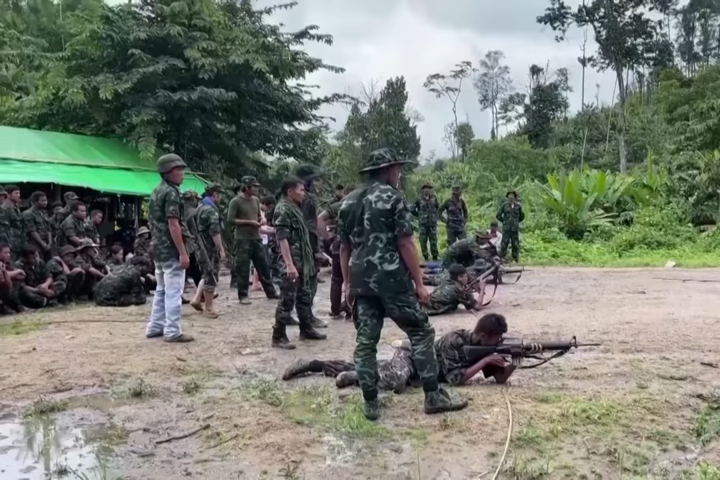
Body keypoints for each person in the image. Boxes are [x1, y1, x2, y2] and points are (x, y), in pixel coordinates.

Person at [338, 147, 468, 420]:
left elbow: (344, 248)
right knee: (420, 332)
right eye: (397, 169)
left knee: (365, 342)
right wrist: (420, 284)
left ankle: (371, 402)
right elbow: (405, 242)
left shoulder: (348, 202)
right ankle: (433, 396)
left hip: (361, 281)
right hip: (392, 280)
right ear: (386, 170)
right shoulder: (393, 198)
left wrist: (348, 285)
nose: (399, 174)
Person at [282, 312, 516, 390]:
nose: (498, 342)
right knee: (397, 379)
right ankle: (355, 379)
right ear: (483, 337)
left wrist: (509, 360)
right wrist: (485, 361)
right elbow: (456, 379)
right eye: (495, 340)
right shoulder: (453, 341)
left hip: (419, 370)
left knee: (376, 367)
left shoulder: (479, 347)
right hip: (411, 356)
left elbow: (500, 379)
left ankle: (314, 364)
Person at [271, 177, 327, 349]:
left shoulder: (294, 208)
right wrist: (289, 264)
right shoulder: (283, 209)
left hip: (302, 261)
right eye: (301, 190)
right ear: (290, 191)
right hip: (292, 262)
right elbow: (282, 239)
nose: (304, 193)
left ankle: (306, 328)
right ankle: (278, 335)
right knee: (287, 299)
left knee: (304, 296)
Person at [145, 153, 194, 343]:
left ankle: (155, 326)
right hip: (170, 248)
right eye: (178, 170)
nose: (182, 173)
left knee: (161, 289)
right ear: (168, 172)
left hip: (157, 247)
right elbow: (173, 224)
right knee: (174, 290)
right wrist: (183, 252)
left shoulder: (156, 191)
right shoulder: (172, 193)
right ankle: (173, 331)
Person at [227, 176, 277, 305]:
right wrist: (249, 222)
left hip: (256, 237)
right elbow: (231, 220)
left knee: (263, 266)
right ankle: (243, 295)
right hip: (242, 238)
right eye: (254, 187)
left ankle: (271, 292)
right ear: (246, 187)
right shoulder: (236, 201)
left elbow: (259, 215)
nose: (256, 189)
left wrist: (261, 220)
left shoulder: (255, 200)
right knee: (243, 268)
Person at [294, 164, 328, 328]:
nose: (314, 182)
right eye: (313, 179)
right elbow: (309, 226)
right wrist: (316, 250)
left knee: (303, 284)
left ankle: (305, 317)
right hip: (306, 245)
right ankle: (306, 318)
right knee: (308, 283)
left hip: (302, 244)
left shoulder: (298, 196)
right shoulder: (305, 198)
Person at [190, 183, 226, 317]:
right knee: (211, 275)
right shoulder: (211, 211)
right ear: (215, 194)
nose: (220, 198)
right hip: (209, 248)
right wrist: (221, 249)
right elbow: (215, 232)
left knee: (205, 274)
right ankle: (209, 308)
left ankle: (197, 298)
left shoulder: (199, 207)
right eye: (220, 195)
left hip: (199, 247)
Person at [317, 196, 350, 320]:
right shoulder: (360, 203)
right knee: (352, 278)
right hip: (354, 246)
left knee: (336, 279)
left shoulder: (337, 206)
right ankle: (350, 309)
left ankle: (335, 310)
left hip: (337, 246)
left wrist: (329, 239)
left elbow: (319, 219)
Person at [22, 191, 53, 260]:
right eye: (42, 201)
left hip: (46, 243)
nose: (45, 202)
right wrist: (43, 244)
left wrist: (50, 243)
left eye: (46, 200)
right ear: (35, 202)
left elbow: (49, 229)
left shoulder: (44, 213)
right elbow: (31, 231)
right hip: (35, 244)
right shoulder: (28, 214)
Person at [413, 184, 440, 261]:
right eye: (426, 188)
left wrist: (435, 216)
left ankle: (435, 256)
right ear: (423, 190)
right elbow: (412, 209)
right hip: (423, 224)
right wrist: (419, 215)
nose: (427, 190)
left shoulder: (434, 198)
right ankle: (425, 256)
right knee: (423, 241)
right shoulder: (419, 199)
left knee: (433, 240)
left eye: (429, 188)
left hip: (432, 224)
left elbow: (438, 207)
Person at [496, 191, 525, 263]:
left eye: (512, 196)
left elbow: (522, 216)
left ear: (515, 198)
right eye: (509, 196)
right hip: (506, 229)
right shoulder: (504, 205)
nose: (510, 198)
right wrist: (504, 222)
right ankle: (501, 259)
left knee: (515, 244)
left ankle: (515, 259)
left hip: (514, 229)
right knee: (504, 244)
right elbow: (498, 215)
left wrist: (516, 222)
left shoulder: (518, 206)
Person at [0, 243, 25, 313]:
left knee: (16, 283)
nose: (8, 255)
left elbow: (22, 276)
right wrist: (17, 271)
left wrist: (10, 274)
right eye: (5, 253)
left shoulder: (8, 263)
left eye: (9, 252)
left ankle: (18, 306)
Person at [1, 185, 24, 257]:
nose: (18, 195)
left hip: (17, 242)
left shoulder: (16, 208)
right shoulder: (5, 208)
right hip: (9, 242)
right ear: (8, 195)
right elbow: (4, 228)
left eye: (19, 193)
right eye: (16, 193)